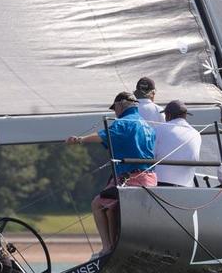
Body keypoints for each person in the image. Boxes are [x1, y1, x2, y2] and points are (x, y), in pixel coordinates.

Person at [67, 91, 157, 256]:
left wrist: (80, 140)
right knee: (108, 207)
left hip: (132, 179)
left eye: (114, 108)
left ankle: (108, 247)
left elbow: (102, 136)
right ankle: (114, 245)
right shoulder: (148, 126)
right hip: (150, 178)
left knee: (97, 204)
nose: (114, 112)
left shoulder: (123, 123)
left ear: (121, 105)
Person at [153, 100, 202, 187]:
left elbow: (150, 155)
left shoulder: (159, 129)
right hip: (187, 186)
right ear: (185, 115)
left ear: (168, 115)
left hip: (160, 185)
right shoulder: (196, 134)